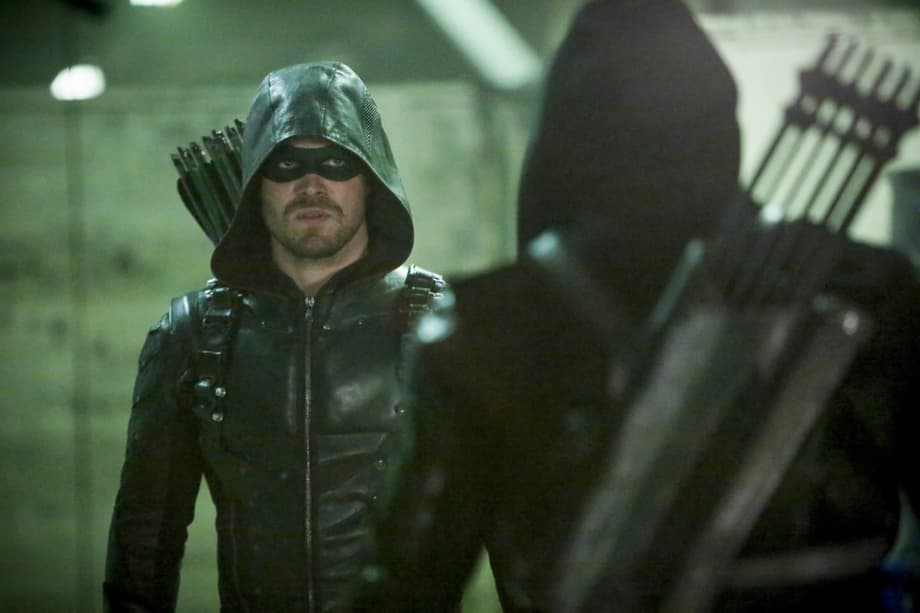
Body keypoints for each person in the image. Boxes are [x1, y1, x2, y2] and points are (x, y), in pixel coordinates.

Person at [357, 0, 920, 611]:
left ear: (564, 140)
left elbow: (407, 587)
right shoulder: (869, 286)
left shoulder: (486, 324)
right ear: (720, 126)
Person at [103, 61, 444, 612]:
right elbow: (145, 535)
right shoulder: (193, 332)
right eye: (286, 165)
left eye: (336, 162)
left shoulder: (441, 327)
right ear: (255, 184)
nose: (312, 186)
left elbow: (509, 520)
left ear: (371, 178)